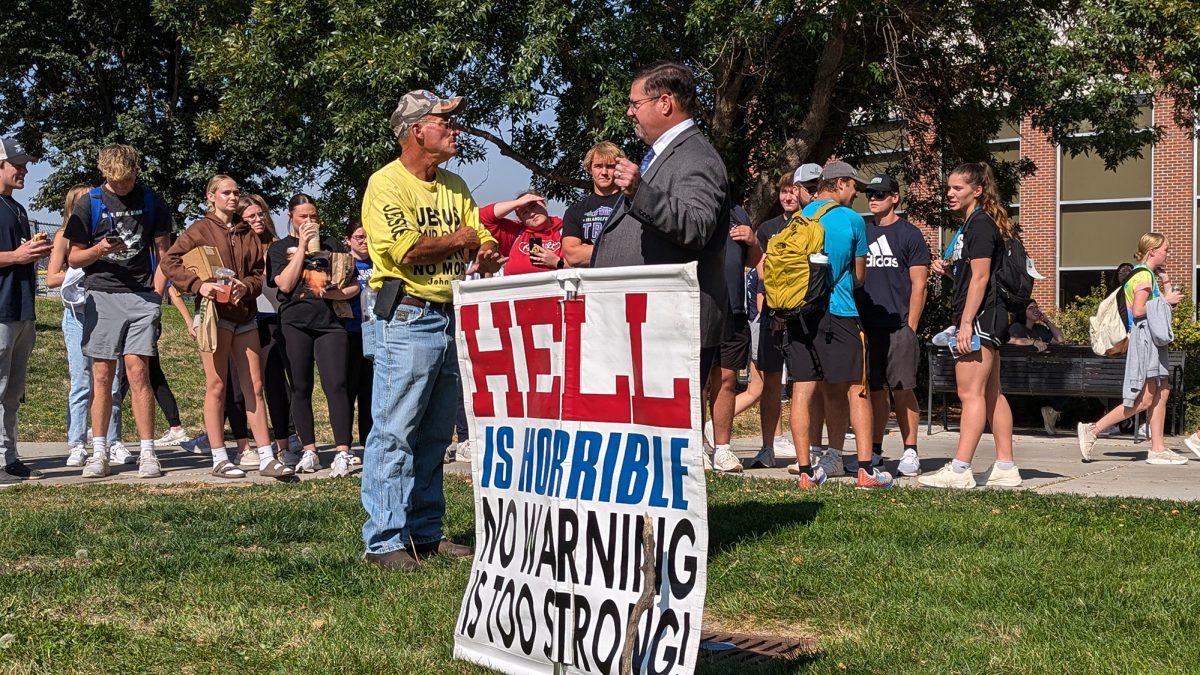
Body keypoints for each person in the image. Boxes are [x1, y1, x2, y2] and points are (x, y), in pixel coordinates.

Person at [360, 88, 504, 571]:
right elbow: (405, 251)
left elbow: (479, 240)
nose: (455, 129)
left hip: (447, 316)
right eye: (445, 121)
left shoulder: (455, 184)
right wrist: (462, 240)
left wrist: (482, 251)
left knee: (435, 435)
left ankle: (424, 532)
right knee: (395, 432)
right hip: (406, 316)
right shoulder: (385, 184)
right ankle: (383, 541)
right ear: (416, 129)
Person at [591, 61, 730, 403]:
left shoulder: (696, 157)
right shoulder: (664, 154)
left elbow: (696, 226)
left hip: (670, 325)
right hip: (646, 324)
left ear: (664, 103)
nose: (629, 112)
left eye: (635, 103)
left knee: (666, 434)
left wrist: (641, 191)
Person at [161, 175, 294, 479]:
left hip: (244, 314)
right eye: (226, 193)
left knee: (254, 386)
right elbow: (170, 262)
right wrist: (199, 285)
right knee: (217, 384)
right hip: (213, 316)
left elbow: (259, 273)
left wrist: (244, 287)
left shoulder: (247, 231)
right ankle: (219, 457)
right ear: (211, 197)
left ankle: (266, 456)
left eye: (235, 193)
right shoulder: (200, 229)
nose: (233, 198)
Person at [65, 144, 173, 479]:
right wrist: (100, 249)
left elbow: (164, 254)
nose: (122, 185)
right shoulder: (89, 202)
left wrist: (156, 295)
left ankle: (148, 452)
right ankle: (99, 451)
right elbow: (73, 259)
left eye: (127, 179)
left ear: (136, 171)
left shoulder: (152, 200)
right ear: (104, 174)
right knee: (101, 376)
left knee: (138, 373)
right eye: (116, 180)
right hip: (102, 294)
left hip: (141, 296)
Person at [786, 161, 895, 490]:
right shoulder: (851, 220)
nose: (857, 194)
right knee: (856, 389)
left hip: (801, 314)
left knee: (803, 391)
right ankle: (865, 470)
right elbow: (859, 277)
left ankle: (806, 472)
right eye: (854, 187)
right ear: (841, 184)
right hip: (841, 312)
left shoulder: (798, 219)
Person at [919, 162, 1022, 488]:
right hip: (987, 317)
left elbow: (980, 278)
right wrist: (950, 273)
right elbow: (976, 276)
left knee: (970, 393)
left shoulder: (978, 225)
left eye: (957, 188)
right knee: (991, 393)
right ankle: (1006, 466)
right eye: (948, 188)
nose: (950, 193)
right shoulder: (976, 225)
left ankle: (961, 469)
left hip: (979, 318)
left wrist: (965, 324)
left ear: (977, 191)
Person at [267, 194, 359, 475]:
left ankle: (343, 451)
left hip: (330, 323)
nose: (309, 221)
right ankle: (309, 450)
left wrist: (337, 293)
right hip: (295, 323)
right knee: (300, 386)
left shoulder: (332, 245)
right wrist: (303, 246)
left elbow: (354, 285)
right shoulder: (279, 248)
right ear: (290, 217)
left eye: (313, 217)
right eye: (303, 217)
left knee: (337, 385)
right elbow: (284, 284)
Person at [1078, 233, 1188, 465]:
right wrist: (1165, 301)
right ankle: (1094, 429)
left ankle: (1158, 448)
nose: (1168, 253)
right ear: (1152, 252)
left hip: (1152, 341)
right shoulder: (1143, 277)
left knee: (1163, 390)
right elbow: (1139, 311)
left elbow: (1158, 311)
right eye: (1166, 250)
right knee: (1146, 399)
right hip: (1145, 341)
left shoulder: (1147, 275)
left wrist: (1166, 283)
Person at [856, 174, 930, 477]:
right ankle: (874, 451)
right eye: (871, 194)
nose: (874, 198)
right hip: (867, 326)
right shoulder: (862, 231)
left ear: (895, 198)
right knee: (873, 392)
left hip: (899, 326)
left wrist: (910, 327)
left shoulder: (909, 234)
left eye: (881, 194)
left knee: (902, 390)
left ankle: (911, 451)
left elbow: (919, 284)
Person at [757, 166, 822, 474]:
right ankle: (768, 445)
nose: (787, 196)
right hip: (773, 314)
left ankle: (810, 449)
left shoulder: (812, 225)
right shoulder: (768, 228)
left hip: (802, 316)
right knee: (770, 382)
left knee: (806, 383)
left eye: (792, 191)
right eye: (783, 191)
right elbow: (761, 273)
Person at [0, 138, 52, 482]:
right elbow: (12, 256)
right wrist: (15, 257)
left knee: (13, 390)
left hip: (22, 308)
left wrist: (33, 249)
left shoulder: (17, 208)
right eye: (17, 164)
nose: (25, 170)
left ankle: (9, 456)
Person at [241, 194, 298, 458]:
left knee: (276, 380)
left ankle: (288, 437)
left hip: (273, 317)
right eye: (250, 216)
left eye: (260, 214)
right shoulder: (237, 247)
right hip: (246, 319)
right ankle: (248, 441)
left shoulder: (276, 246)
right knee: (250, 384)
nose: (257, 219)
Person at [710, 204, 761, 472]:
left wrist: (752, 240)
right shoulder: (688, 206)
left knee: (728, 380)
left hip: (734, 310)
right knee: (697, 383)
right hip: (700, 307)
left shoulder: (738, 212)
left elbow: (753, 261)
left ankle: (723, 449)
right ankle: (694, 449)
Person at [561, 141, 626, 267]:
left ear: (618, 169)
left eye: (610, 166)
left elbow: (638, 247)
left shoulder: (632, 203)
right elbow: (572, 257)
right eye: (598, 166)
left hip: (626, 282)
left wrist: (589, 249)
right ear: (590, 169)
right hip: (591, 284)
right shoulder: (575, 211)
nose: (604, 172)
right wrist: (619, 248)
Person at [342, 219, 374, 453]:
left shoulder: (379, 263)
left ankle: (369, 440)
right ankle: (345, 442)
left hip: (375, 332)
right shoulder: (345, 264)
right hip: (350, 331)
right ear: (348, 240)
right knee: (349, 387)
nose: (364, 242)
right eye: (359, 237)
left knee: (371, 390)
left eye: (367, 237)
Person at [480, 191, 565, 274]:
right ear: (520, 218)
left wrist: (557, 262)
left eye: (533, 206)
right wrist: (517, 203)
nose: (531, 214)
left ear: (544, 204)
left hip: (553, 286)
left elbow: (576, 262)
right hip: (515, 287)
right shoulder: (516, 233)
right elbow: (483, 217)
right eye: (524, 212)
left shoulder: (565, 230)